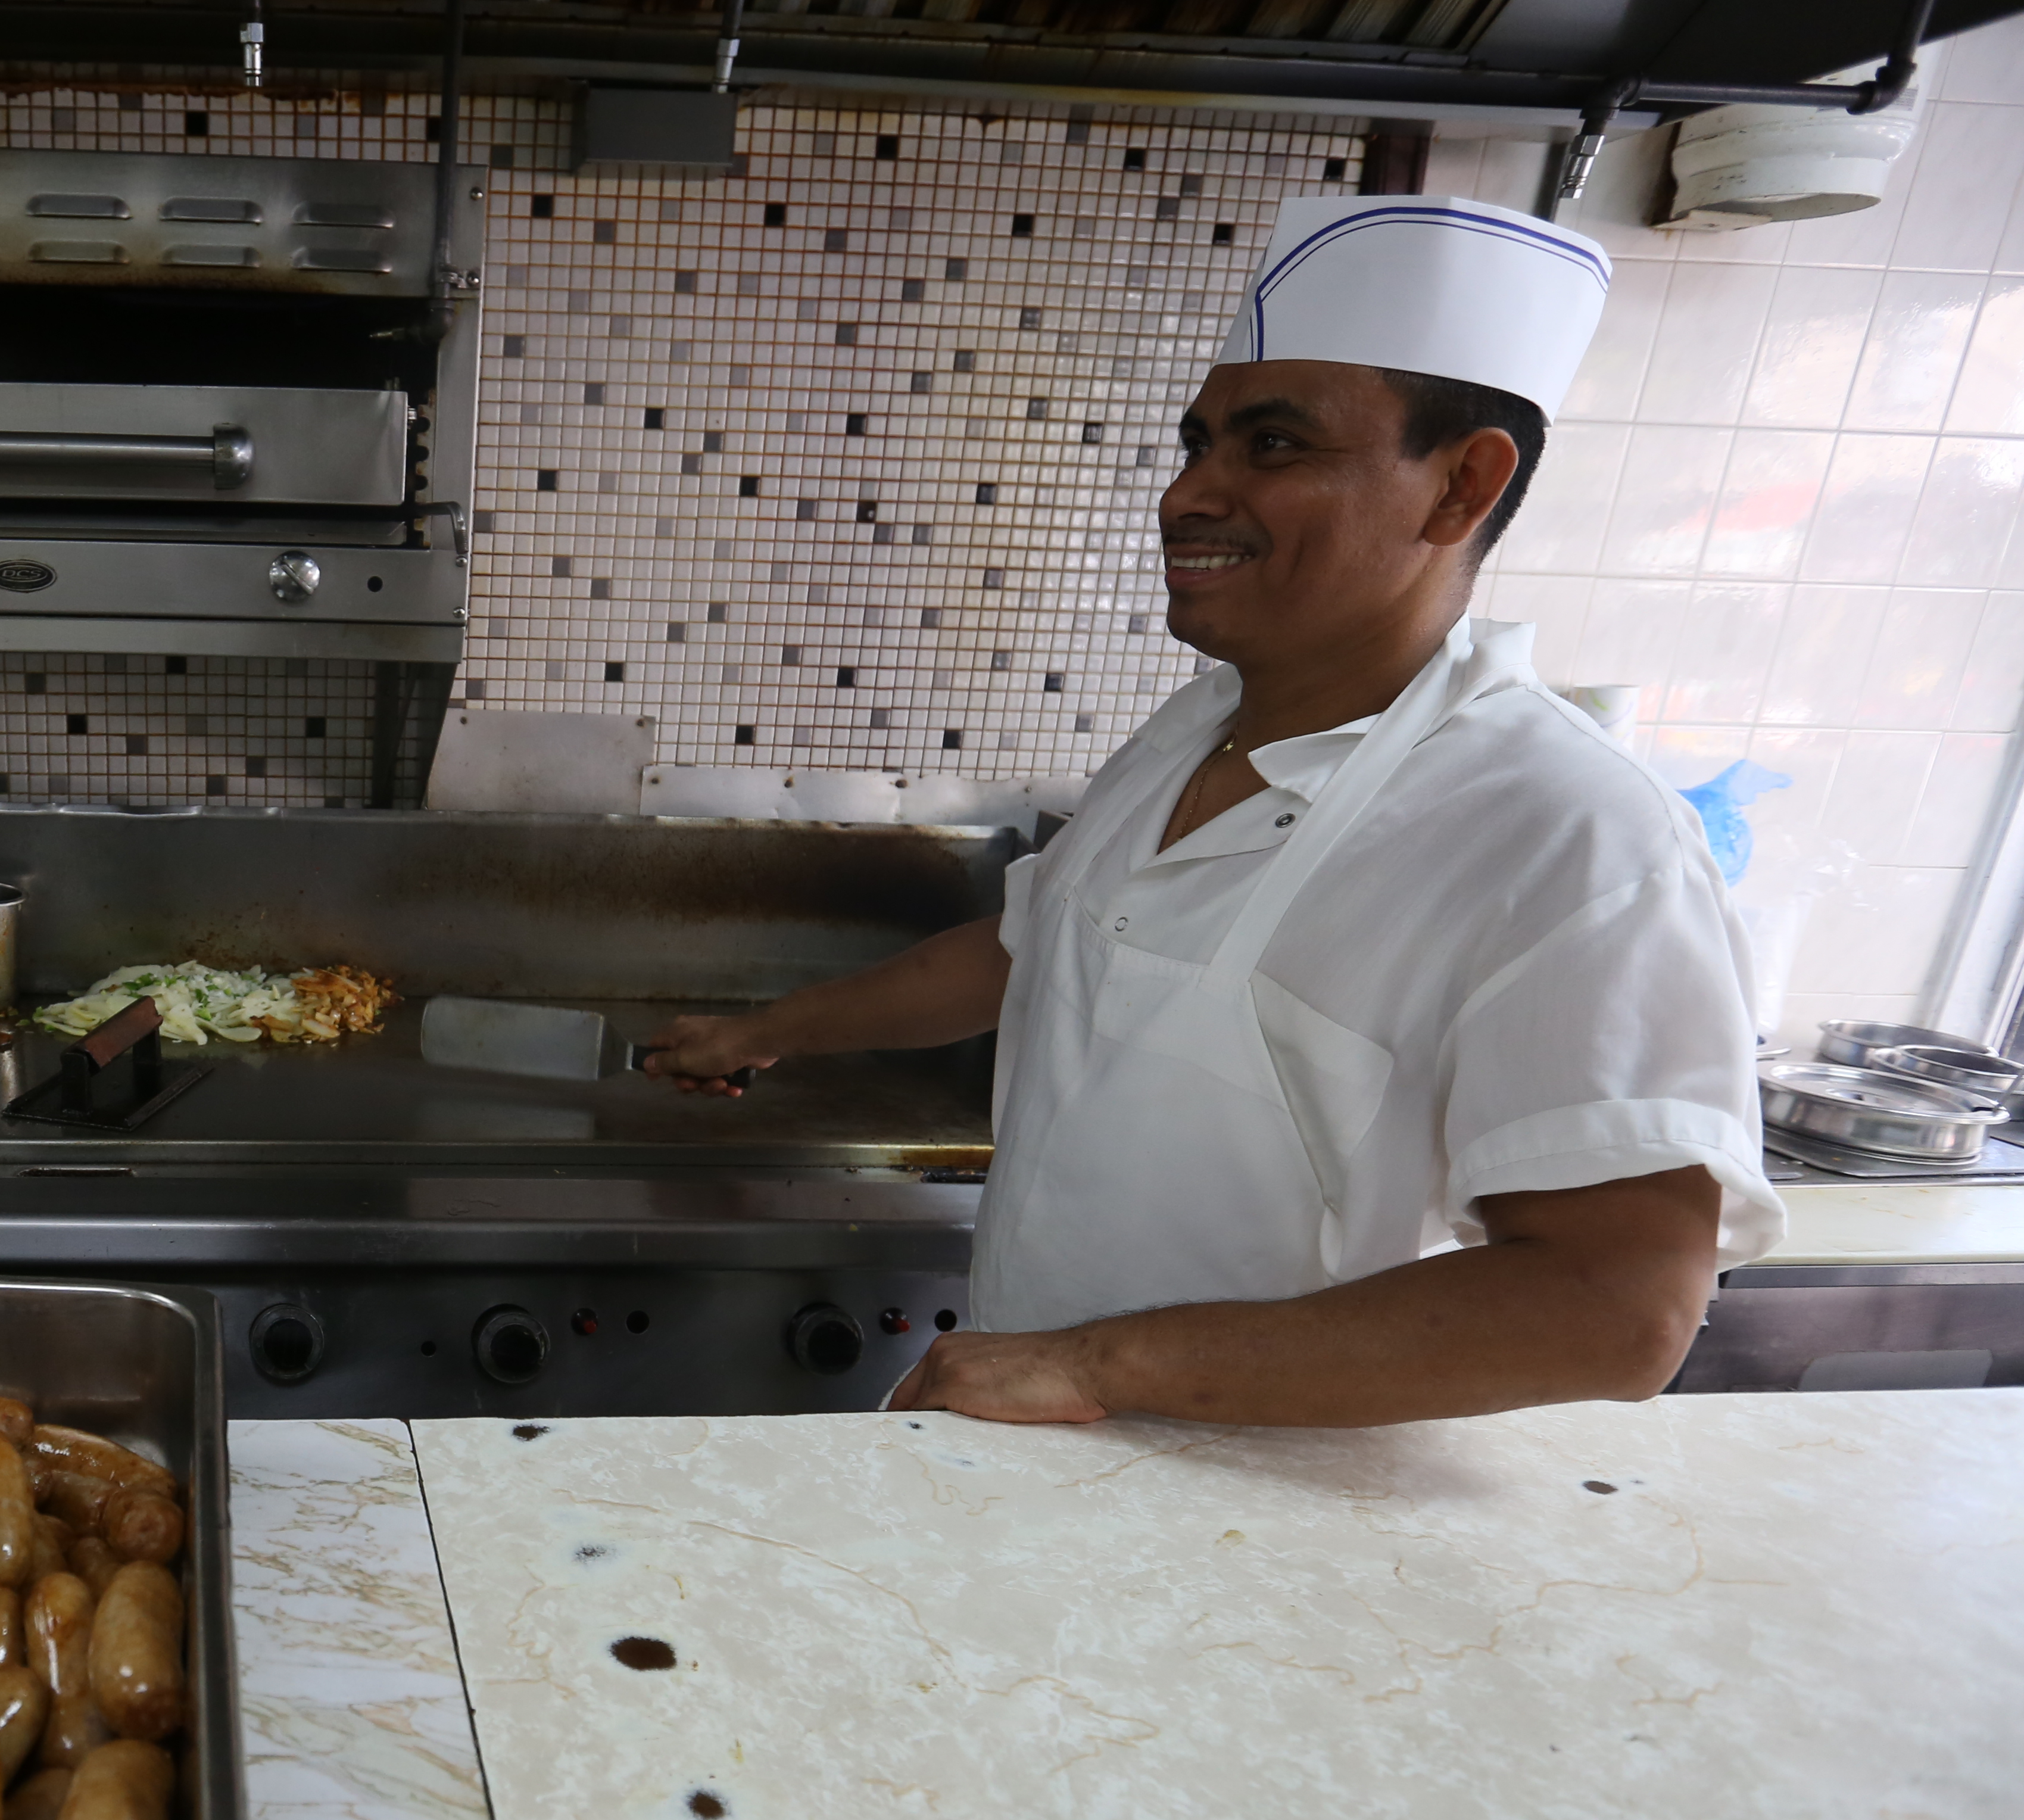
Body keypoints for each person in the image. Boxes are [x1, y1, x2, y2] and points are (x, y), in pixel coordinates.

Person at [647, 195, 1782, 1428]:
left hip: (1275, 1526)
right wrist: (773, 1030)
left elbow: (1619, 1309)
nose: (1190, 495)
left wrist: (1096, 1366)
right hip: (1037, 1454)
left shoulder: (1570, 834)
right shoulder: (1193, 728)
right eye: (1199, 445)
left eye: (1275, 446)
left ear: (1463, 486)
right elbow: (1037, 953)